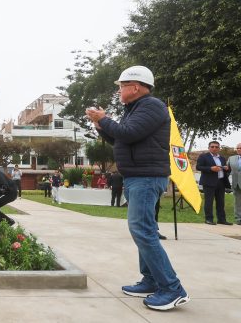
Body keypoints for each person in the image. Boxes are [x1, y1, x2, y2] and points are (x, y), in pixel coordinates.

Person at [86, 65, 189, 311]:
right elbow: (120, 137)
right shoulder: (134, 109)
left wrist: (104, 119)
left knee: (142, 231)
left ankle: (172, 288)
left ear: (136, 87)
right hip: (137, 177)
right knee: (146, 230)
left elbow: (129, 133)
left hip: (146, 177)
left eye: (122, 86)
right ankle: (151, 279)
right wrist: (102, 126)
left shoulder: (151, 106)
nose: (119, 91)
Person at [196, 141, 232, 225]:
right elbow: (198, 167)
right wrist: (211, 168)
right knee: (209, 201)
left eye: (216, 147)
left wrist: (227, 168)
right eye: (212, 147)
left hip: (221, 182)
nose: (214, 148)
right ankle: (209, 219)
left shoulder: (222, 158)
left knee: (221, 202)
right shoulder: (203, 156)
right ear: (209, 148)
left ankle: (221, 219)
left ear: (219, 148)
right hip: (209, 182)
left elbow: (227, 170)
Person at [226, 143, 241, 225]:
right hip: (236, 184)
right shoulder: (231, 158)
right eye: (237, 148)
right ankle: (238, 220)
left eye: (240, 148)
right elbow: (227, 170)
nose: (239, 149)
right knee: (237, 202)